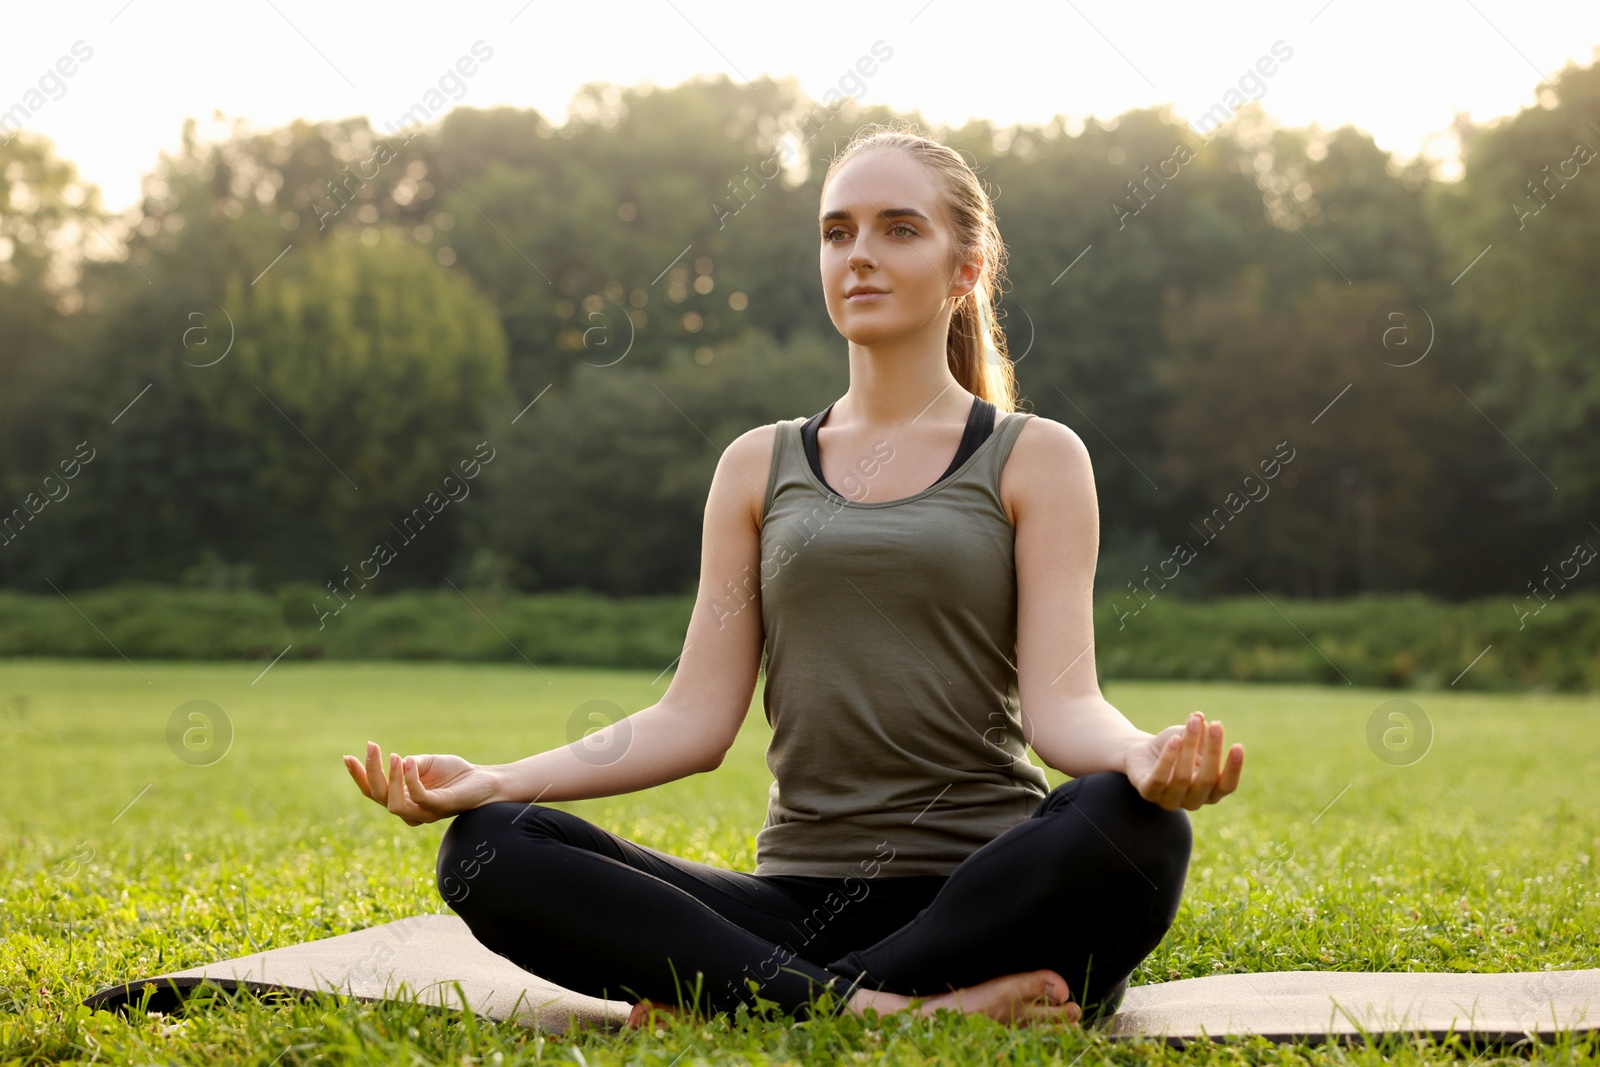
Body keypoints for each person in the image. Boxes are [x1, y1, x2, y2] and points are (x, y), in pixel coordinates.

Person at [342, 121, 1245, 1032]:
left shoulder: (1034, 457)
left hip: (987, 893)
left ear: (966, 270)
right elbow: (690, 720)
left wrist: (1137, 754)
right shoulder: (755, 465)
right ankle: (893, 1011)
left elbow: (1064, 712)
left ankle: (758, 999)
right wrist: (493, 779)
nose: (860, 255)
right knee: (493, 846)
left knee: (1136, 827)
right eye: (837, 231)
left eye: (899, 229)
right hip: (792, 909)